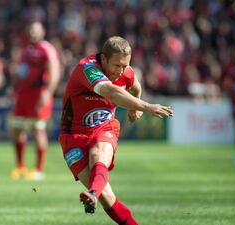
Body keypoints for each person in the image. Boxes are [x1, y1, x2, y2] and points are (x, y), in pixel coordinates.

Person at [59, 36, 173, 224]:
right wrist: (145, 106)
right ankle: (96, 194)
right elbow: (111, 92)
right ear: (103, 59)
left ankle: (92, 194)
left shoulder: (126, 72)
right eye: (117, 65)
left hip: (103, 127)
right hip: (72, 135)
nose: (121, 71)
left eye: (125, 65)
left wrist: (133, 107)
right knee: (108, 198)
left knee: (99, 152)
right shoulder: (86, 69)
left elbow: (136, 87)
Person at [10, 21, 60, 181]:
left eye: (36, 30)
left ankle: (39, 170)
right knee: (17, 129)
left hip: (39, 93)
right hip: (23, 94)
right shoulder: (25, 49)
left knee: (38, 130)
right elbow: (22, 72)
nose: (32, 33)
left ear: (42, 32)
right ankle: (20, 167)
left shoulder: (47, 49)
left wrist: (48, 92)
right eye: (30, 30)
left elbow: (55, 71)